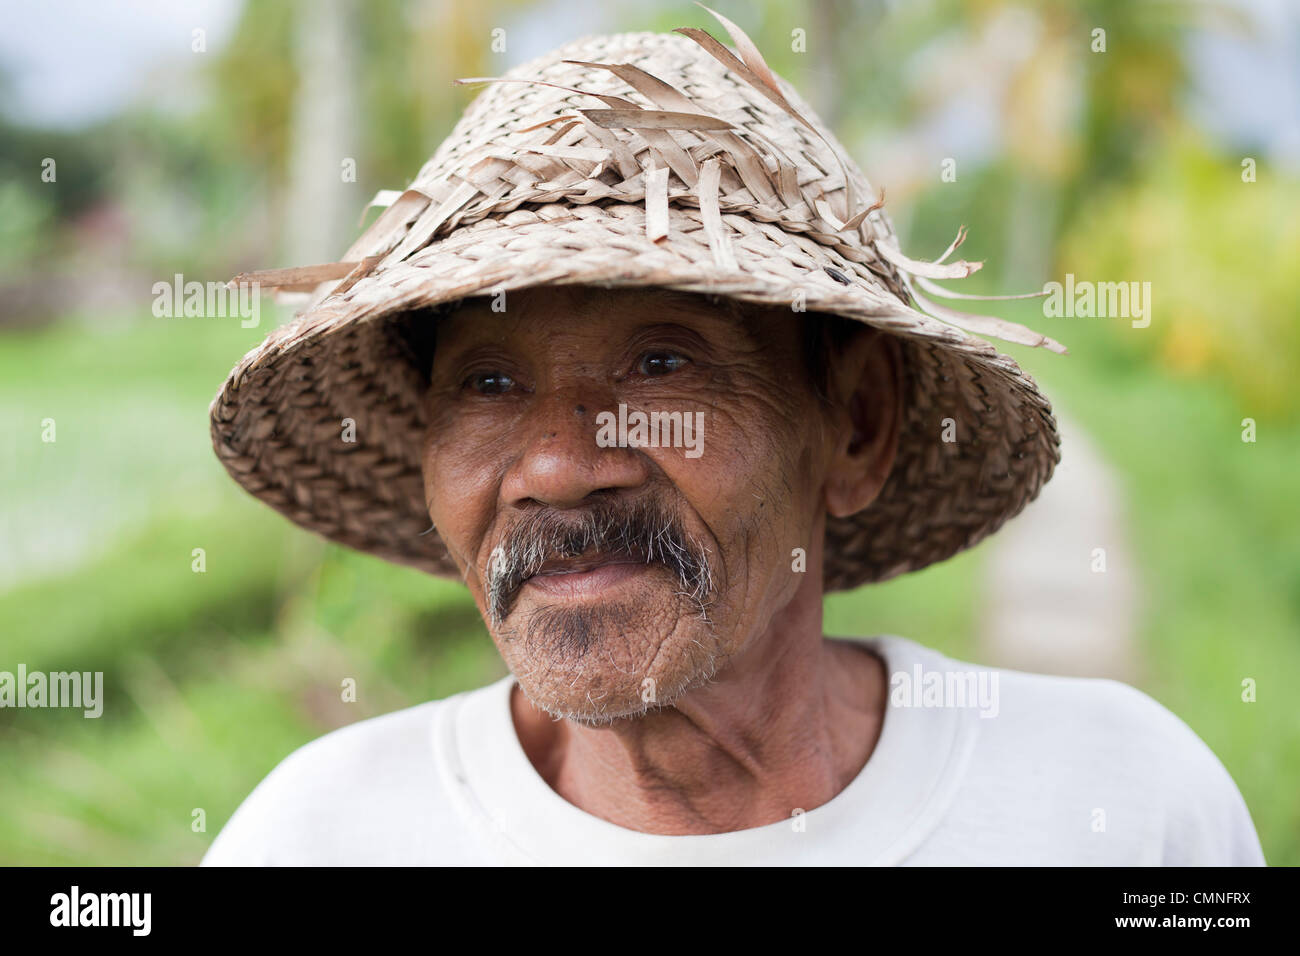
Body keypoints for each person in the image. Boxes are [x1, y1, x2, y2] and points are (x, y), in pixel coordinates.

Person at [202, 16, 1263, 866]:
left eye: (662, 362)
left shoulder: (1125, 804)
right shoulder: (318, 837)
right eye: (488, 383)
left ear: (856, 426)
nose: (558, 467)